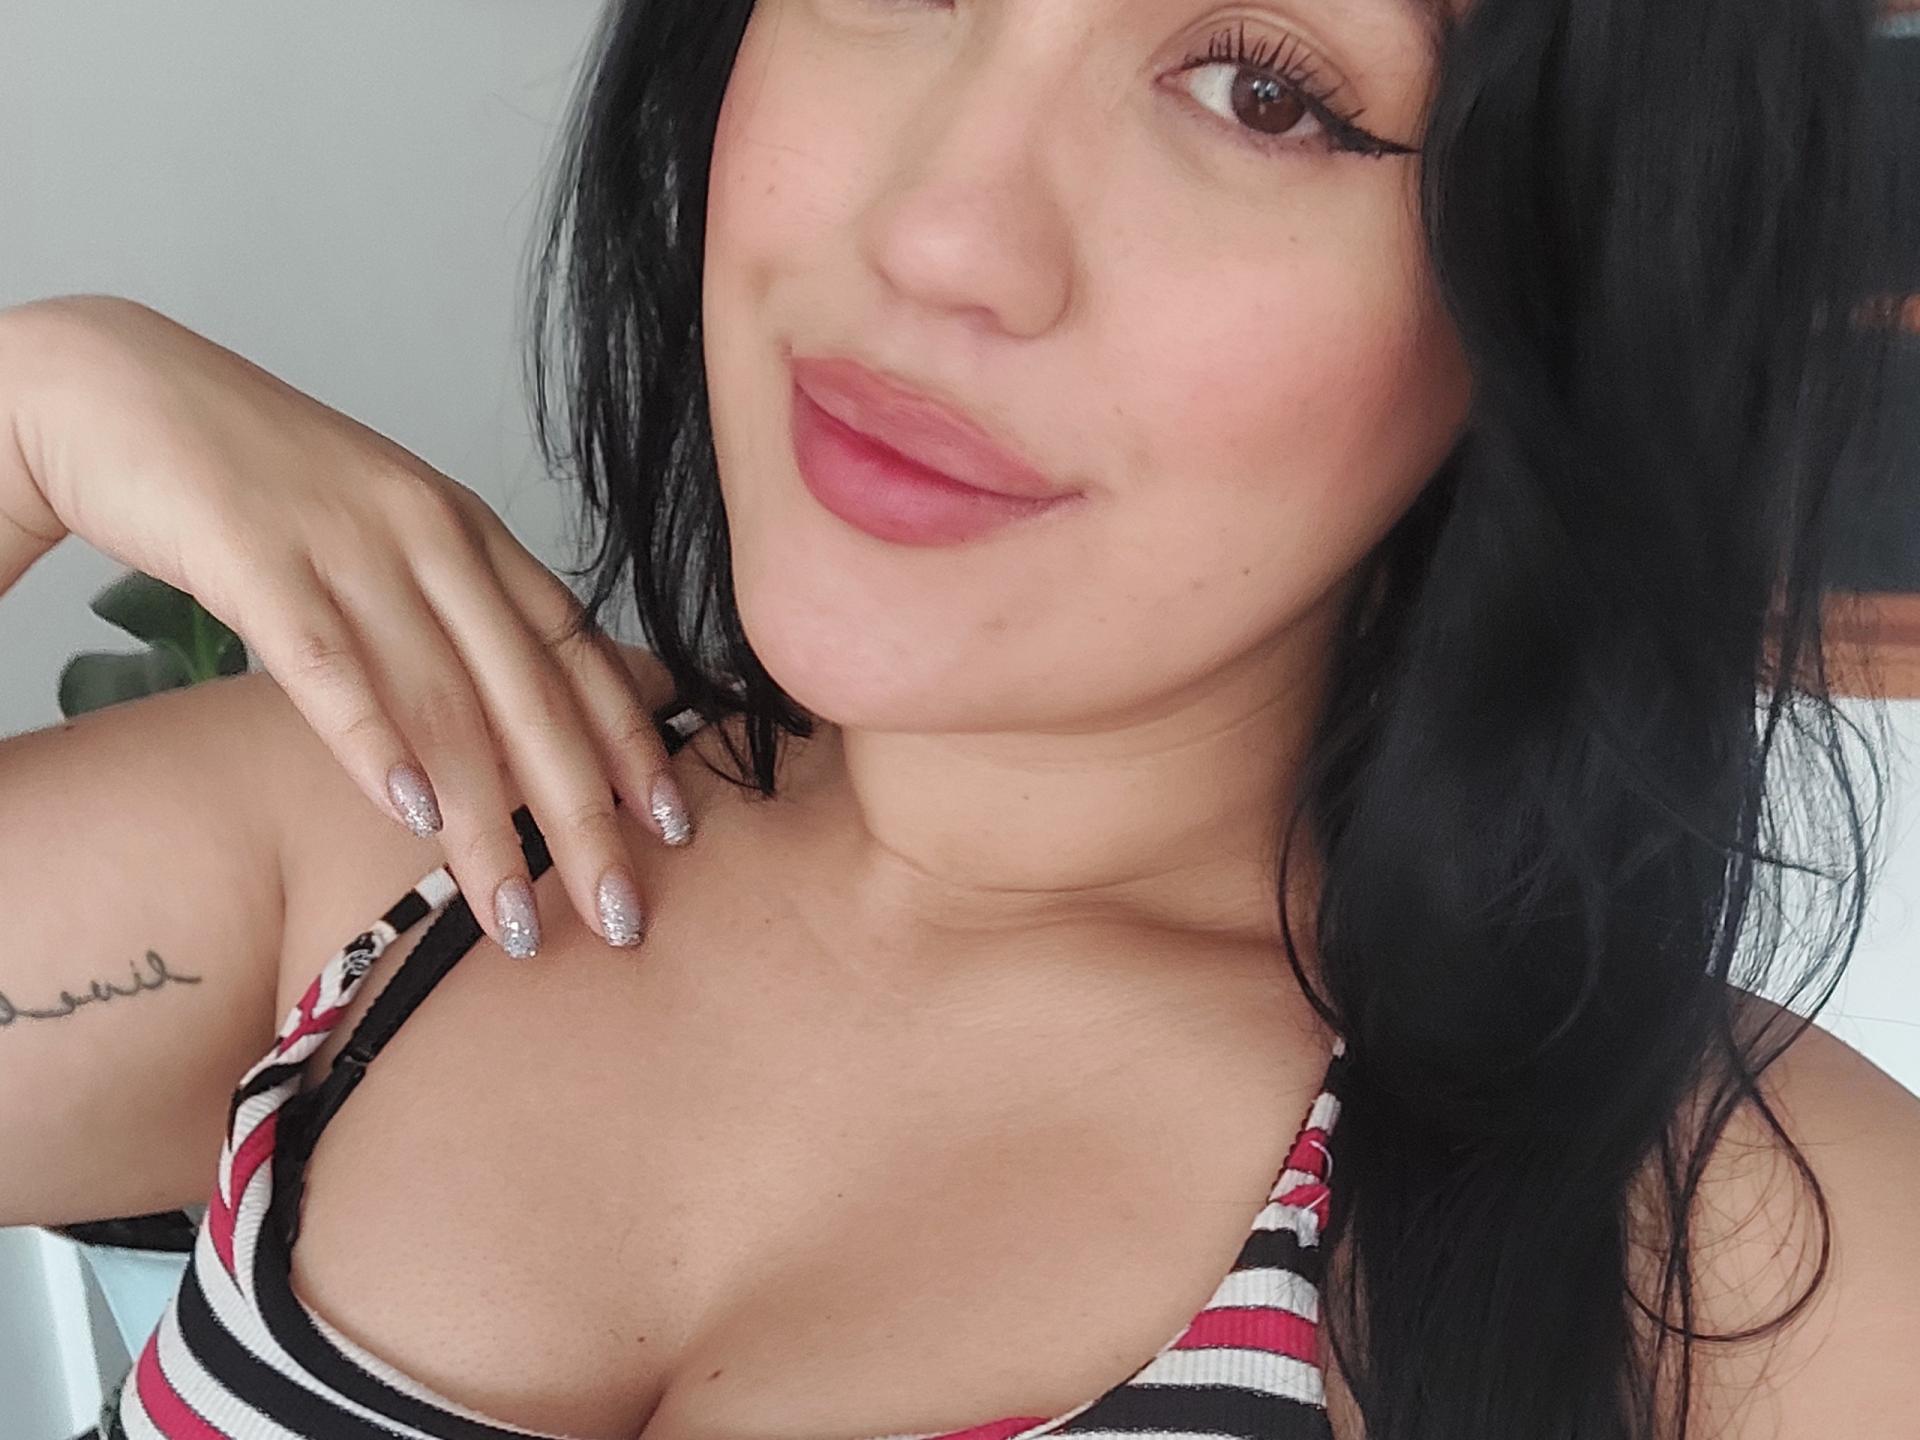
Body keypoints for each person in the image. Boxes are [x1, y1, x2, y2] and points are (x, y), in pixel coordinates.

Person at [1, 0, 1916, 1436]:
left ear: (1562, 277)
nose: (941, 232)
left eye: (1262, 91)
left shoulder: (1741, 1264)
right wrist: (35, 410)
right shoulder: (407, 822)